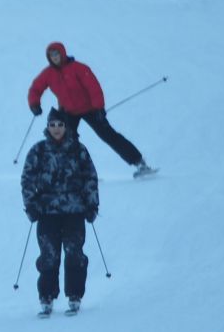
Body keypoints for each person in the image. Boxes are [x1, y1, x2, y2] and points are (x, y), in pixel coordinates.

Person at [26, 41, 156, 177]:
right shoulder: (48, 73)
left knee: (109, 136)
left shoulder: (79, 68)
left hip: (90, 109)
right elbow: (36, 88)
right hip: (68, 111)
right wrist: (34, 104)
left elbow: (94, 88)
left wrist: (99, 108)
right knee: (68, 142)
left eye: (56, 54)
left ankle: (139, 163)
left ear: (62, 53)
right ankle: (77, 174)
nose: (54, 57)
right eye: (51, 55)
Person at [21, 109, 100, 316]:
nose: (56, 129)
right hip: (47, 211)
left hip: (74, 210)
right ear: (47, 127)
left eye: (60, 125)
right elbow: (27, 178)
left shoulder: (78, 150)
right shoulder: (38, 151)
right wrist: (31, 205)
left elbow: (90, 177)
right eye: (53, 125)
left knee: (74, 252)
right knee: (49, 254)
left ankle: (75, 295)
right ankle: (46, 296)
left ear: (67, 127)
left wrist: (92, 205)